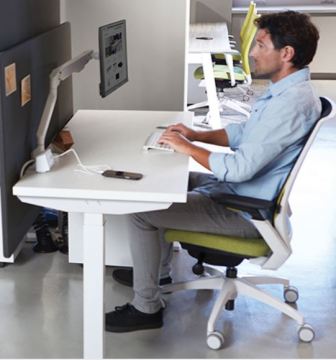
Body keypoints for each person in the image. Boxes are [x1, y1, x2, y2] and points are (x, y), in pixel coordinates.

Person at [106, 11, 321, 333]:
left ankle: (146, 306)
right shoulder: (286, 91)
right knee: (162, 183)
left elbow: (239, 168)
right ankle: (156, 273)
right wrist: (195, 136)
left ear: (286, 53)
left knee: (142, 209)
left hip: (247, 212)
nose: (251, 52)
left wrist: (187, 148)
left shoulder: (289, 104)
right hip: (246, 194)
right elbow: (244, 134)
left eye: (260, 45)